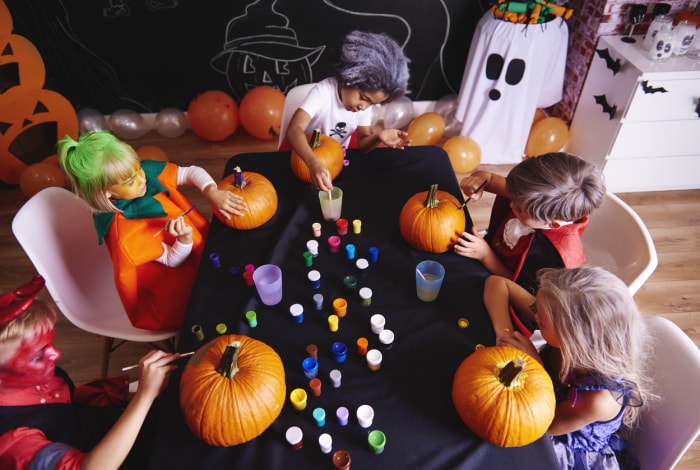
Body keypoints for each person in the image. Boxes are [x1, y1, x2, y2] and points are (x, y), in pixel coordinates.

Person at [57, 130, 248, 331]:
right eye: (130, 181)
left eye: (138, 168)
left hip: (198, 250)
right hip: (176, 282)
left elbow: (189, 172)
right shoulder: (126, 234)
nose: (142, 180)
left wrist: (212, 191)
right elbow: (172, 261)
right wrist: (184, 239)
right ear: (106, 193)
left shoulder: (140, 175)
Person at [0, 275, 182, 469]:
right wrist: (144, 396)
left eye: (50, 344)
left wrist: (136, 391)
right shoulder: (12, 441)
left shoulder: (43, 375)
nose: (56, 354)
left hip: (107, 426)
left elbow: (67, 407)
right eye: (37, 355)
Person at [484, 266, 651, 469]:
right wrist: (505, 334)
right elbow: (498, 284)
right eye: (538, 311)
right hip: (533, 402)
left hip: (557, 446)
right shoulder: (559, 315)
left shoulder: (598, 399)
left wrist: (537, 367)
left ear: (572, 338)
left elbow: (542, 428)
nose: (536, 317)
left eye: (542, 322)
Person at [455, 152, 605, 335]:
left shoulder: (557, 259)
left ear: (553, 224)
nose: (511, 204)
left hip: (506, 299)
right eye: (513, 198)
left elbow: (520, 292)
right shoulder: (531, 199)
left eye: (518, 207)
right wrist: (480, 179)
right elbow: (492, 180)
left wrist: (486, 255)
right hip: (486, 256)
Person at [285, 30, 411, 192]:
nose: (364, 107)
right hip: (306, 157)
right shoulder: (322, 93)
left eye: (372, 103)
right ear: (349, 76)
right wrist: (313, 162)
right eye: (363, 97)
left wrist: (378, 137)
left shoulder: (364, 105)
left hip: (336, 159)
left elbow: (363, 146)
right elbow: (294, 129)